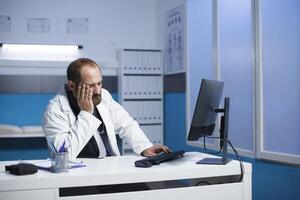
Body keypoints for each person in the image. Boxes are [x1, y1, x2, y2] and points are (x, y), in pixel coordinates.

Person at [42, 58, 170, 160]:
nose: (97, 90)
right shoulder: (55, 110)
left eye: (99, 83)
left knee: (143, 191)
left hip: (109, 169)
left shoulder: (104, 96)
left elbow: (126, 124)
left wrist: (145, 147)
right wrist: (86, 114)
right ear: (71, 85)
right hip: (78, 176)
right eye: (90, 86)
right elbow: (63, 154)